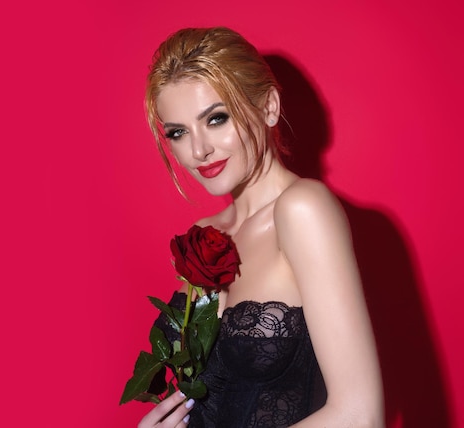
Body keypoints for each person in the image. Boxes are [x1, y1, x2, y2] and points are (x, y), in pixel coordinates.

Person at [137, 27, 384, 427]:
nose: (199, 150)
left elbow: (361, 415)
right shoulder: (203, 236)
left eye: (216, 119)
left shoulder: (302, 210)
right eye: (178, 133)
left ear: (269, 106)